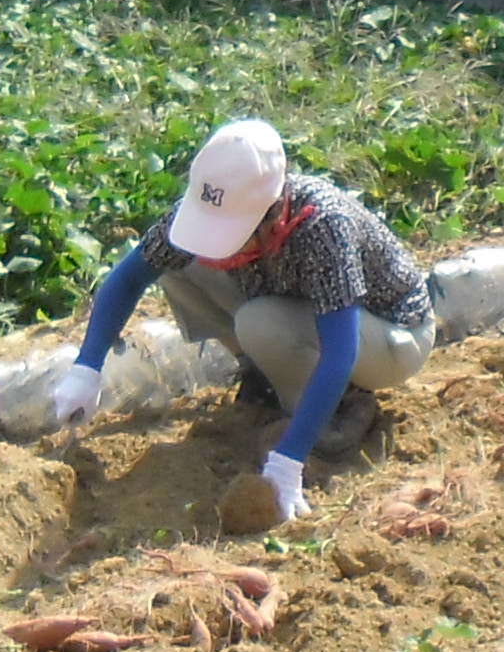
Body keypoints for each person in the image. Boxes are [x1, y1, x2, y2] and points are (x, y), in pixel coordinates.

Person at [46, 119, 437, 524]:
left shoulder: (321, 226)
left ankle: (336, 413)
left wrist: (289, 459)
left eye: (233, 234)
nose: (218, 250)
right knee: (179, 264)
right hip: (302, 311)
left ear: (273, 215)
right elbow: (129, 277)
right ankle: (264, 376)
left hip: (392, 335)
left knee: (260, 323)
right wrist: (86, 368)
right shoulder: (212, 203)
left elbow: (340, 351)